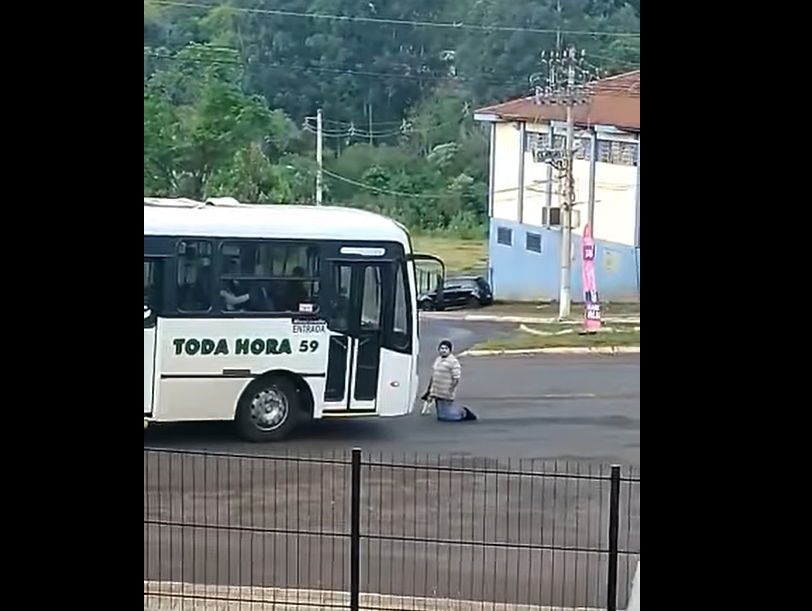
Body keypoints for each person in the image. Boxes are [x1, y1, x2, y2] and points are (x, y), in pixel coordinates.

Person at [422, 339, 477, 422]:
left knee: (448, 417)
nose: (443, 350)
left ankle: (464, 412)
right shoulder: (438, 360)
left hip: (446, 391)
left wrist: (451, 389)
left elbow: (456, 377)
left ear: (450, 350)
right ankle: (452, 412)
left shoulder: (453, 362)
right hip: (436, 391)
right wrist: (429, 390)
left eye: (446, 349)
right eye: (442, 348)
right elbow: (434, 375)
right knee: (441, 416)